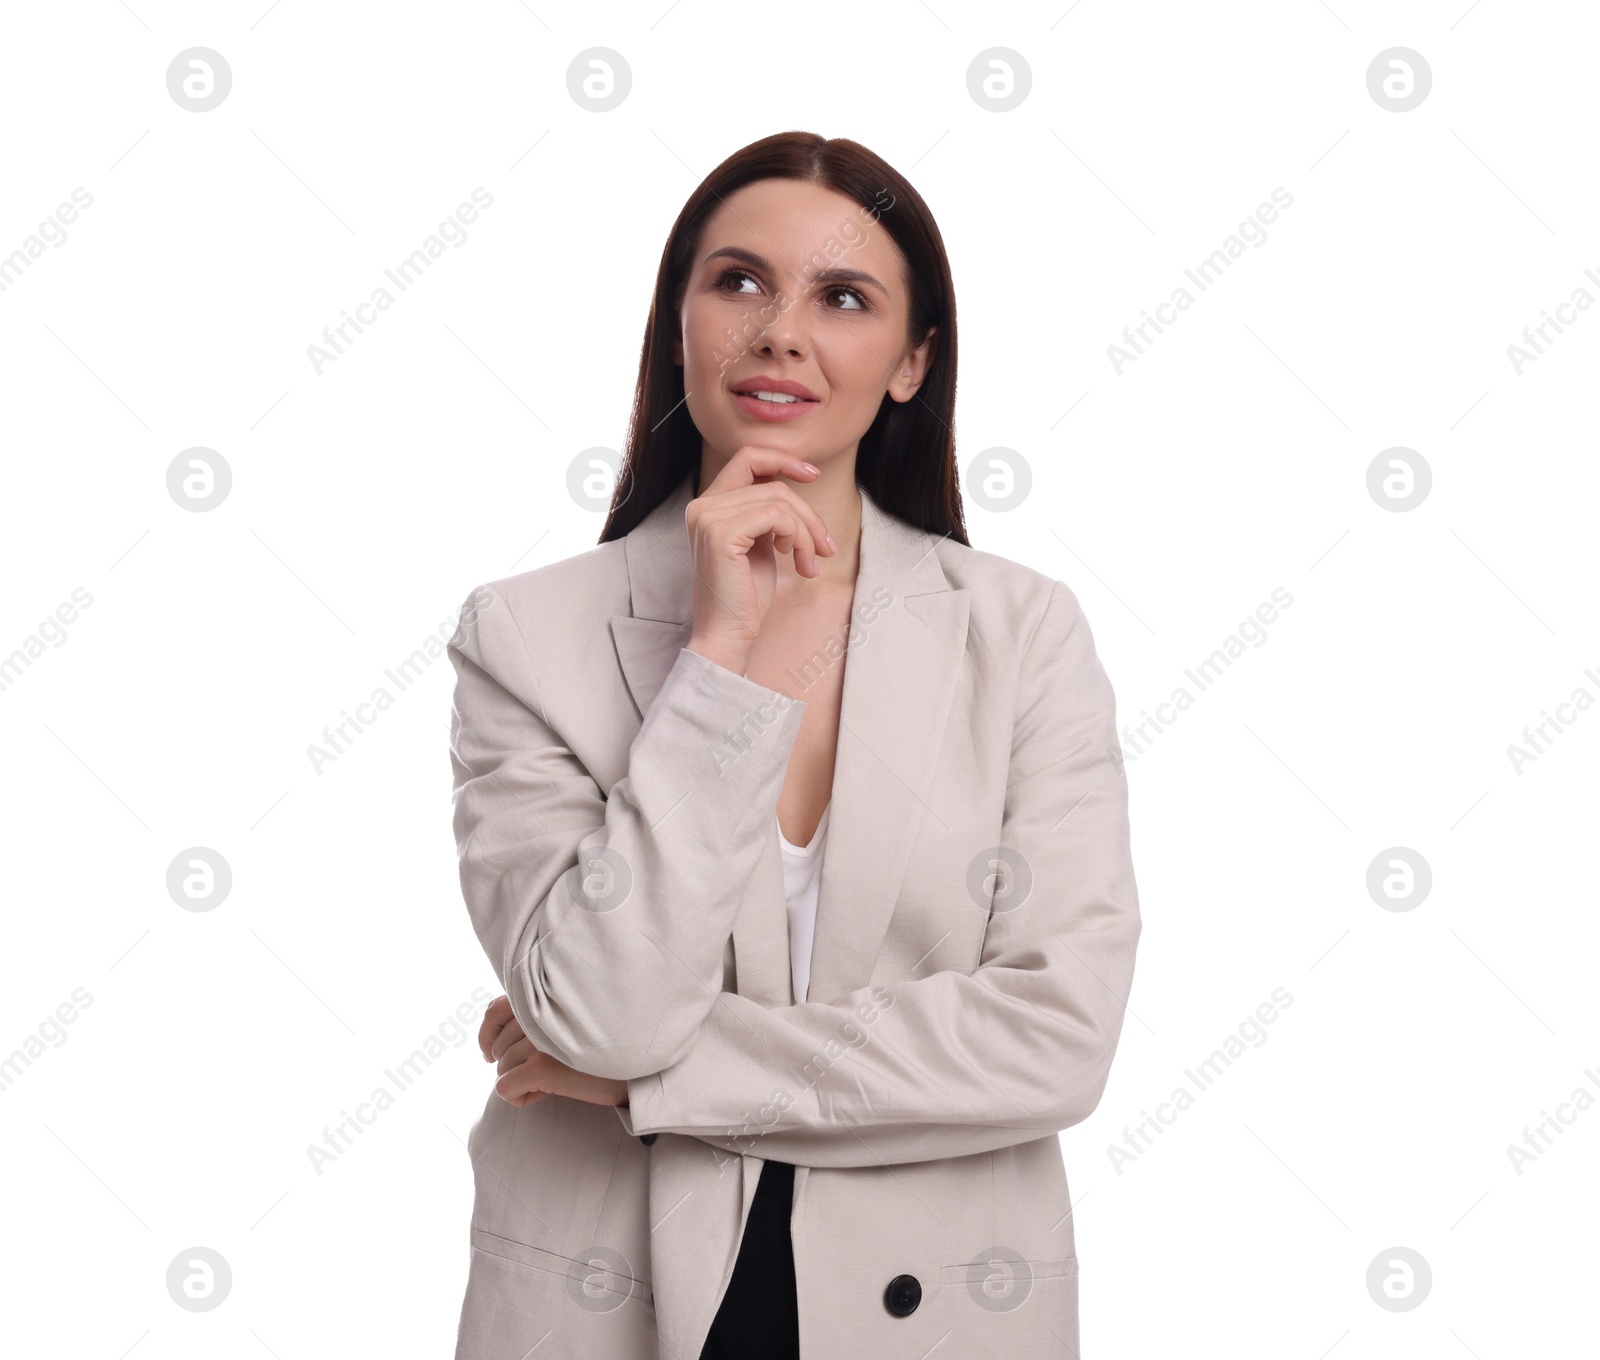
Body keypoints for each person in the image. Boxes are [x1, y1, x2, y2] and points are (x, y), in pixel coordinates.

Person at [447, 129, 1142, 1360]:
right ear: (680, 325)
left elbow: (1056, 1038)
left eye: (843, 297)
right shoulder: (526, 635)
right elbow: (602, 1011)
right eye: (739, 282)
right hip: (608, 1305)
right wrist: (721, 662)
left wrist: (659, 1084)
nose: (780, 331)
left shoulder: (1021, 632)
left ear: (913, 360)